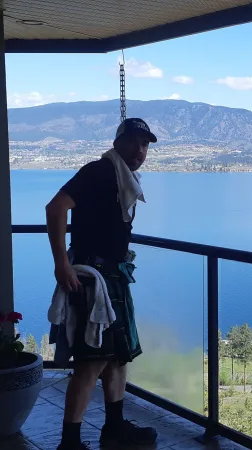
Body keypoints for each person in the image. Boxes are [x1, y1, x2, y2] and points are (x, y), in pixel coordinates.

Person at [46, 118, 158, 450]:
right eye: (134, 142)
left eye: (145, 144)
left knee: (116, 358)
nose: (139, 150)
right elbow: (55, 208)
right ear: (118, 142)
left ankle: (114, 427)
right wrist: (61, 263)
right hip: (93, 279)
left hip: (112, 276)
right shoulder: (99, 171)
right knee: (91, 361)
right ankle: (69, 442)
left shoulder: (123, 178)